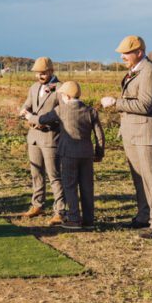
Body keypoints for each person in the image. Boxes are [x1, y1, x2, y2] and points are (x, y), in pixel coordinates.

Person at [101, 35, 152, 239]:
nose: (122, 57)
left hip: (146, 134)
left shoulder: (150, 72)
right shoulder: (135, 71)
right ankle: (144, 216)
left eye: (126, 53)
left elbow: (145, 105)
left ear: (139, 52)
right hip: (132, 133)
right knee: (139, 178)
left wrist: (116, 102)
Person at [30, 81, 105, 229]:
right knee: (87, 187)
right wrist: (99, 153)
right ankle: (89, 220)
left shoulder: (61, 110)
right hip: (86, 154)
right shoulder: (91, 111)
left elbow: (42, 119)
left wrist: (29, 117)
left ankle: (74, 219)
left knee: (70, 186)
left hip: (68, 154)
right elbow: (99, 135)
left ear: (66, 96)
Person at [17, 57, 64, 225]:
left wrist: (40, 121)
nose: (39, 76)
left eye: (42, 73)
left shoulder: (60, 89)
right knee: (36, 173)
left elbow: (62, 113)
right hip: (34, 138)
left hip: (51, 137)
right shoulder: (34, 87)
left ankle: (60, 210)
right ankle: (37, 205)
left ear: (51, 71)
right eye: (37, 73)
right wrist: (24, 112)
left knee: (54, 175)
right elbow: (27, 106)